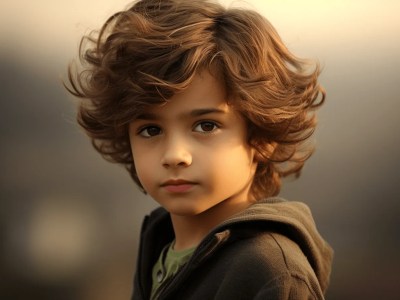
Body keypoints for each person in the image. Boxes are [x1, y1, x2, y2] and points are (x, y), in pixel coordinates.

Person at [66, 0, 333, 299]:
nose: (174, 155)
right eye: (151, 130)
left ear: (261, 136)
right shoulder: (161, 250)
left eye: (206, 126)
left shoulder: (271, 272)